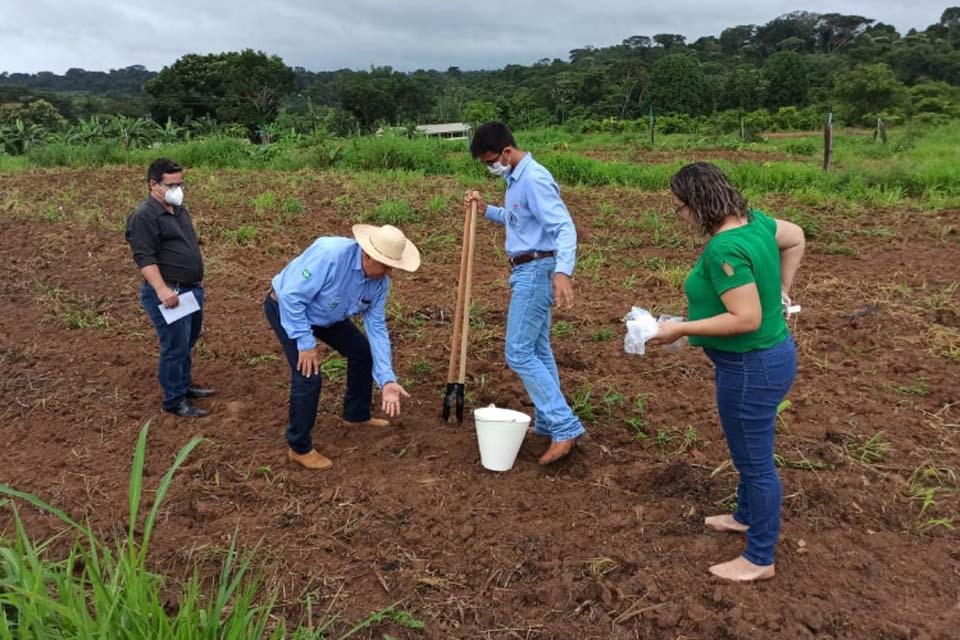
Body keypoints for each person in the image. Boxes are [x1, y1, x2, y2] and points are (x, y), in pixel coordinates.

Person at [649, 162, 805, 582]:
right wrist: (784, 290)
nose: (679, 215)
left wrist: (680, 327)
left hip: (750, 367)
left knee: (755, 463)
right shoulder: (756, 224)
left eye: (679, 207)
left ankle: (759, 557)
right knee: (747, 452)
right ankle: (744, 516)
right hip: (769, 358)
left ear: (699, 203)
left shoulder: (723, 249)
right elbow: (796, 239)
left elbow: (746, 318)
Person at [464, 122, 585, 466]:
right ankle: (549, 422)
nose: (490, 168)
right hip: (527, 268)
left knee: (517, 352)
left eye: (491, 161)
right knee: (537, 348)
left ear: (506, 151)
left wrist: (563, 271)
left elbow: (563, 226)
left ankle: (564, 425)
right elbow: (519, 220)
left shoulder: (534, 179)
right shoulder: (515, 180)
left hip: (536, 270)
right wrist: (486, 208)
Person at [264, 224, 419, 471]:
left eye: (393, 267)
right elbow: (292, 297)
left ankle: (356, 415)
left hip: (328, 315)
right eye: (386, 266)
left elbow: (377, 328)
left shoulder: (379, 282)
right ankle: (299, 447)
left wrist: (387, 379)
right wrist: (305, 343)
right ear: (368, 255)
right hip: (289, 309)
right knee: (308, 376)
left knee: (362, 352)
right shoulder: (330, 255)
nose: (389, 273)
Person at [125, 158, 214, 418]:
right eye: (172, 184)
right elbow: (145, 257)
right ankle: (174, 400)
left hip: (190, 289)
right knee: (174, 346)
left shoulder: (178, 209)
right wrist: (162, 290)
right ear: (154, 184)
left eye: (180, 183)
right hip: (171, 292)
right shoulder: (144, 216)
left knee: (187, 341)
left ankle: (184, 386)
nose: (178, 189)